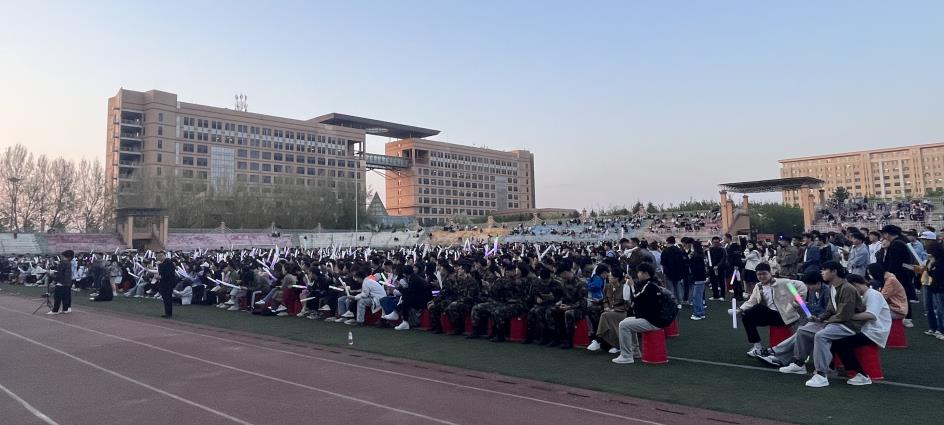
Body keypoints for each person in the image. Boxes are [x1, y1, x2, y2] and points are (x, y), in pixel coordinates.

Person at [777, 262, 866, 388]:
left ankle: (821, 374)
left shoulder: (847, 289)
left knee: (821, 335)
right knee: (803, 331)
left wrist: (826, 322)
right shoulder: (833, 287)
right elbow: (830, 310)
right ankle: (799, 364)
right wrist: (820, 318)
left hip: (849, 326)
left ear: (834, 271)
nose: (822, 272)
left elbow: (844, 315)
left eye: (824, 270)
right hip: (836, 322)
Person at [732, 263, 808, 357]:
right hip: (771, 316)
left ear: (770, 273)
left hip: (784, 316)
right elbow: (751, 301)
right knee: (746, 316)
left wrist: (796, 302)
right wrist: (740, 310)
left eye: (764, 273)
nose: (761, 276)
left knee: (758, 307)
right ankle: (757, 347)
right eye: (759, 274)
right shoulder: (758, 286)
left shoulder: (782, 283)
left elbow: (801, 285)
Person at [829, 274, 892, 386]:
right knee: (833, 337)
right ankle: (834, 367)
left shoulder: (873, 295)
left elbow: (871, 315)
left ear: (855, 285)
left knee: (841, 343)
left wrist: (848, 316)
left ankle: (860, 374)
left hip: (874, 332)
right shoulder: (866, 295)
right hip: (866, 329)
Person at [612, 263, 671, 364]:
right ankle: (635, 351)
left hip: (653, 321)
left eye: (639, 272)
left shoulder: (649, 285)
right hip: (655, 319)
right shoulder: (653, 283)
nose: (638, 274)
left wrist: (631, 285)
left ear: (645, 273)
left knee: (623, 325)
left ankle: (626, 356)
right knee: (627, 321)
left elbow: (637, 297)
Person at [588, 266, 630, 354]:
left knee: (604, 315)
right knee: (598, 312)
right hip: (609, 311)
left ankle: (598, 340)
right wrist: (606, 306)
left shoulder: (624, 288)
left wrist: (614, 309)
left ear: (617, 278)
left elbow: (627, 305)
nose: (609, 277)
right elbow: (605, 299)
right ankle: (611, 344)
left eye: (611, 276)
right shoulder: (607, 286)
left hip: (620, 312)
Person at [661, 236, 687, 306]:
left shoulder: (665, 251)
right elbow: (683, 262)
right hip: (678, 272)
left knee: (670, 289)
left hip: (668, 272)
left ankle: (673, 302)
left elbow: (663, 263)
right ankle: (679, 302)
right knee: (678, 287)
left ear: (667, 242)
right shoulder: (679, 251)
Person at [686, 238, 708, 320]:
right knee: (698, 296)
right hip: (699, 278)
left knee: (696, 297)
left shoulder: (697, 257)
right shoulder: (698, 256)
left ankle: (698, 313)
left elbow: (695, 268)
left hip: (698, 278)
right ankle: (700, 312)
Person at [48, 250, 74, 315]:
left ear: (63, 256)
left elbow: (60, 273)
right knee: (66, 297)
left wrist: (54, 279)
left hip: (61, 282)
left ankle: (55, 310)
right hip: (67, 281)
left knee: (57, 297)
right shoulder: (69, 263)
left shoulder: (62, 263)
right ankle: (65, 309)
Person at [157, 251, 176, 318]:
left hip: (168, 283)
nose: (160, 257)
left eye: (161, 255)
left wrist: (161, 276)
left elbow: (169, 273)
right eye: (159, 256)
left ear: (164, 255)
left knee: (167, 298)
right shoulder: (162, 263)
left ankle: (168, 313)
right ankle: (167, 312)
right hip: (164, 283)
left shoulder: (168, 263)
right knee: (165, 298)